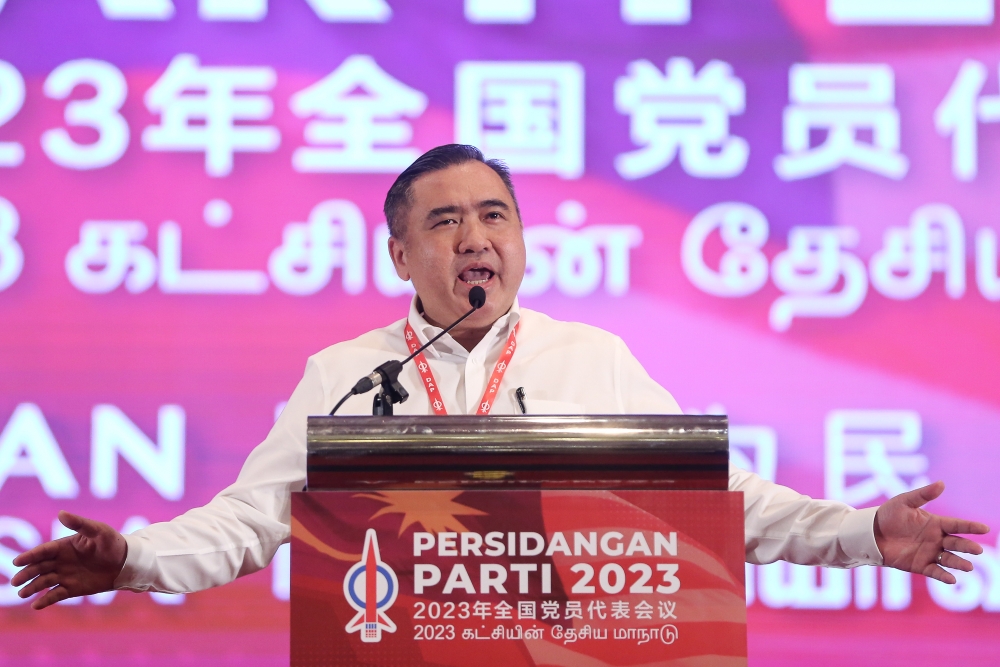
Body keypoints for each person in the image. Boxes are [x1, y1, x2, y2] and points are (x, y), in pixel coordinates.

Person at [11, 144, 990, 610]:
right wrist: (132, 559)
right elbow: (247, 520)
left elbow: (723, 503)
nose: (476, 237)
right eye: (445, 222)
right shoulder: (348, 376)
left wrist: (862, 533)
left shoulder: (590, 359)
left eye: (496, 216)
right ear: (400, 254)